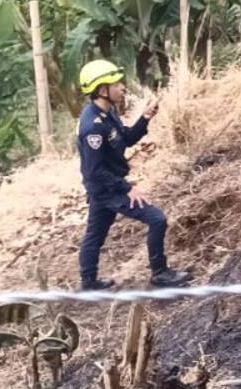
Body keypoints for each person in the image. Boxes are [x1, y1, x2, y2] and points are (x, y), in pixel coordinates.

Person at [76, 60, 192, 291]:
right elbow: (94, 170)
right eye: (116, 84)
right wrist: (127, 189)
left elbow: (126, 139)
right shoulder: (92, 127)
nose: (122, 88)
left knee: (95, 234)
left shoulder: (108, 112)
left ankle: (89, 282)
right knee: (157, 219)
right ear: (102, 90)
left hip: (105, 187)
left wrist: (145, 117)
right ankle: (160, 273)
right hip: (106, 189)